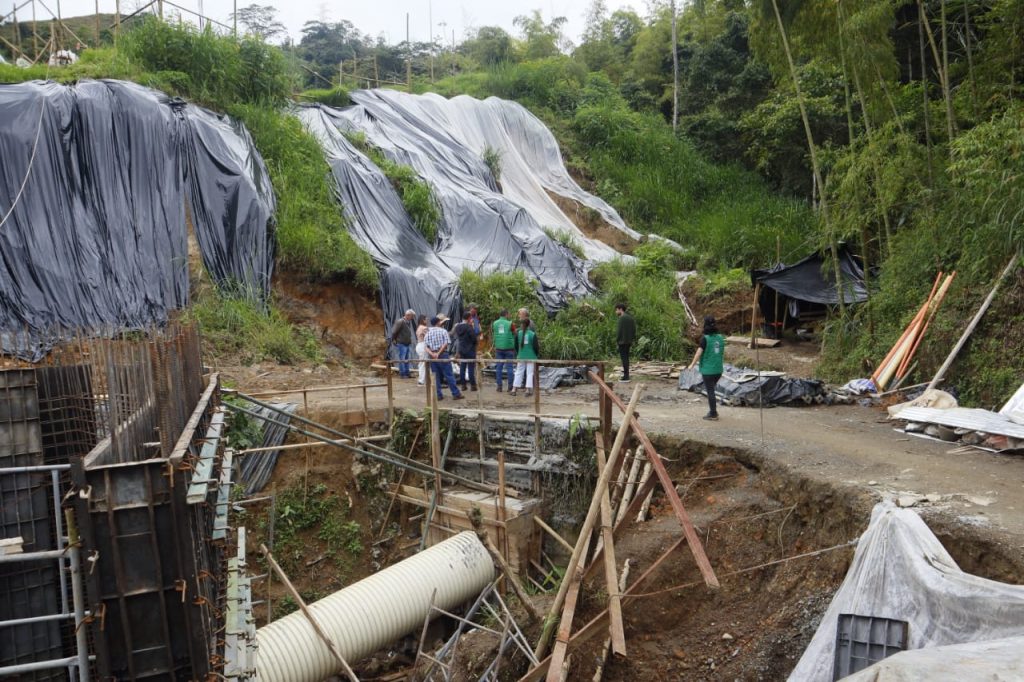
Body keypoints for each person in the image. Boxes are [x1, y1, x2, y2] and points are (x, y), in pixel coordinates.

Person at [688, 315, 726, 420]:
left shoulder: (705, 339)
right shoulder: (720, 338)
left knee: (710, 391)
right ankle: (713, 411)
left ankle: (713, 413)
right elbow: (721, 352)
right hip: (718, 370)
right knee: (711, 389)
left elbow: (698, 353)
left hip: (708, 371)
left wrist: (692, 364)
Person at [424, 315, 463, 401]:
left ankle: (438, 395)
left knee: (435, 376)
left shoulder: (427, 333)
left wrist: (433, 354)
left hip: (432, 356)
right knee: (449, 374)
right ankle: (455, 393)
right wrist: (438, 353)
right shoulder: (443, 331)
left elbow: (426, 347)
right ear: (438, 322)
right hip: (443, 355)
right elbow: (445, 343)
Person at [512, 315, 540, 397]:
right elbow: (536, 347)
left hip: (521, 356)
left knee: (518, 372)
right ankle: (527, 390)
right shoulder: (532, 334)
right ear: (529, 325)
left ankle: (514, 389)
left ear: (522, 324)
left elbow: (516, 346)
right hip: (531, 357)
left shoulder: (518, 333)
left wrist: (519, 353)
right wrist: (536, 354)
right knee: (529, 373)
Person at [453, 311, 479, 391]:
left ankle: (463, 385)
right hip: (470, 349)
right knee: (471, 367)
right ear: (469, 318)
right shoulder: (469, 327)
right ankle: (473, 385)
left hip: (461, 349)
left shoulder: (457, 327)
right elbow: (474, 339)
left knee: (462, 367)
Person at [491, 308, 516, 392]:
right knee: (509, 367)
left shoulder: (495, 323)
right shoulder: (510, 323)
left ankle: (499, 386)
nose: (509, 315)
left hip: (498, 348)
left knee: (499, 367)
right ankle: (510, 387)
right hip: (509, 348)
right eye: (508, 314)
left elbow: (494, 333)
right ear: (506, 314)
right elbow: (515, 333)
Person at [390, 309, 416, 379]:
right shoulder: (400, 321)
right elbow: (394, 332)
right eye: (412, 316)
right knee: (402, 359)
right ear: (408, 315)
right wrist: (394, 340)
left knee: (407, 359)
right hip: (401, 343)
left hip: (407, 343)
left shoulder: (407, 322)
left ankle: (407, 373)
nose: (412, 318)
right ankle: (402, 374)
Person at [615, 303, 636, 383]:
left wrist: (617, 340)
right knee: (626, 358)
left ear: (620, 309)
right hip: (629, 341)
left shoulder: (621, 318)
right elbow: (634, 330)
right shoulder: (630, 318)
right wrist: (632, 339)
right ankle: (627, 375)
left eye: (616, 310)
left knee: (624, 359)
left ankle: (626, 376)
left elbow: (619, 332)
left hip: (622, 342)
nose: (616, 312)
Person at [415, 314, 430, 385]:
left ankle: (423, 379)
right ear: (423, 320)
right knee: (423, 363)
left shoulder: (419, 327)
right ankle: (421, 380)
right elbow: (429, 337)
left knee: (422, 363)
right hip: (423, 345)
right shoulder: (424, 328)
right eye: (426, 319)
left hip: (419, 345)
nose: (427, 320)